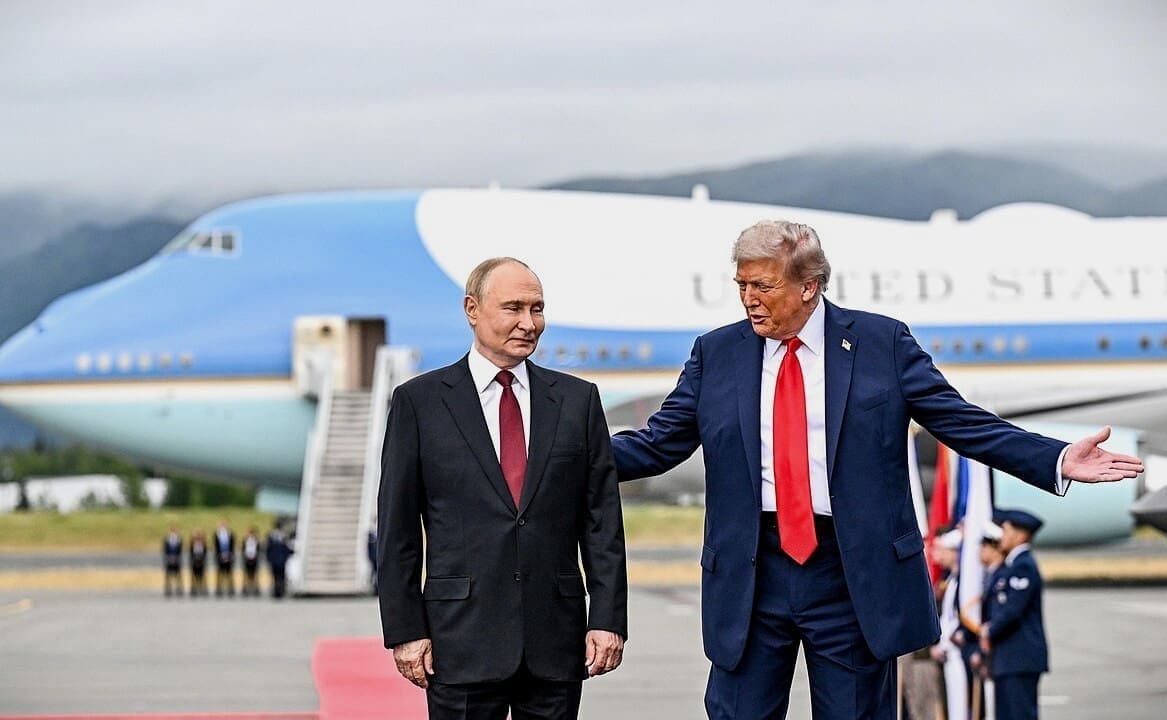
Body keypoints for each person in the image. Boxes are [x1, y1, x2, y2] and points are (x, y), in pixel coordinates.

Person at [610, 220, 1144, 719]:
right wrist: (557, 452)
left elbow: (961, 423)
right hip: (752, 572)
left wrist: (1054, 457)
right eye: (742, 285)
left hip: (850, 574)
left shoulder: (881, 345)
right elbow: (658, 444)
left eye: (764, 286)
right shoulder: (717, 352)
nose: (750, 299)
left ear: (809, 286)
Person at [378, 256, 627, 720]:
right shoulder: (420, 403)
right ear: (472, 309)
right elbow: (398, 531)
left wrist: (608, 620)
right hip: (458, 642)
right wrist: (405, 630)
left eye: (537, 309)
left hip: (555, 641)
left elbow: (601, 523)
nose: (528, 323)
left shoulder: (577, 401)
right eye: (513, 308)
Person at [980, 510, 1048, 720]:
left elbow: (1012, 609)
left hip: (1019, 657)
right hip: (1008, 658)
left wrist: (989, 631)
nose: (1002, 535)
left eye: (1007, 530)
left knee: (1020, 714)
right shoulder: (1013, 566)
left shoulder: (1023, 566)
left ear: (1021, 535)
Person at [929, 529, 967, 720]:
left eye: (942, 550)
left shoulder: (965, 582)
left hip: (959, 650)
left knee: (961, 706)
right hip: (948, 651)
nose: (937, 556)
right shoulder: (951, 579)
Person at [265, 520, 292, 599]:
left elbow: (268, 548)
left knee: (276, 575)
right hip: (281, 558)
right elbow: (287, 548)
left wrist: (268, 557)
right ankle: (280, 590)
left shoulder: (271, 535)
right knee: (280, 575)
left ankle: (277, 590)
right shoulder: (283, 536)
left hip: (275, 558)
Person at [213, 518, 236, 597]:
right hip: (220, 556)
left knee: (229, 573)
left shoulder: (230, 534)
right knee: (219, 573)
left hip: (229, 556)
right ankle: (219, 589)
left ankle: (230, 589)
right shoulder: (217, 534)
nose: (223, 526)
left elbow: (232, 546)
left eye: (225, 524)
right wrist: (219, 555)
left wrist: (230, 555)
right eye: (222, 524)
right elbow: (216, 547)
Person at [240, 526, 262, 597]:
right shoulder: (245, 540)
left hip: (254, 559)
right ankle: (245, 589)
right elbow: (243, 550)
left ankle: (256, 589)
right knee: (246, 575)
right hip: (247, 559)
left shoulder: (256, 540)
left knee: (255, 575)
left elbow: (258, 550)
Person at [162, 525, 183, 597]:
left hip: (177, 559)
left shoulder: (179, 539)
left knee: (178, 575)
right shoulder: (167, 539)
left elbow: (180, 550)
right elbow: (165, 550)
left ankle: (179, 588)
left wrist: (177, 557)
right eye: (172, 531)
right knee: (168, 575)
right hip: (169, 559)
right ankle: (168, 589)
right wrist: (168, 558)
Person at [188, 529, 208, 597]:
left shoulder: (203, 545)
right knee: (194, 576)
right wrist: (194, 561)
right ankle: (194, 589)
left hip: (201, 562)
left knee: (202, 576)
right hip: (194, 562)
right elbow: (191, 555)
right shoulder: (193, 545)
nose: (198, 538)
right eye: (197, 536)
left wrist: (201, 561)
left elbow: (204, 555)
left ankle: (202, 589)